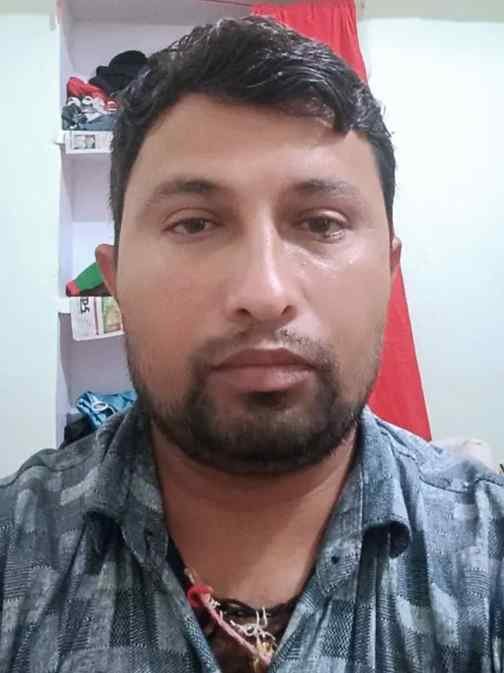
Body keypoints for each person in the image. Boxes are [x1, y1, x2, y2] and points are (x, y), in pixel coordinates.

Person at [1, 16, 503, 673]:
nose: (264, 293)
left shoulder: (486, 555)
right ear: (116, 280)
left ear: (388, 270)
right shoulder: (17, 549)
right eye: (194, 223)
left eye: (321, 223)